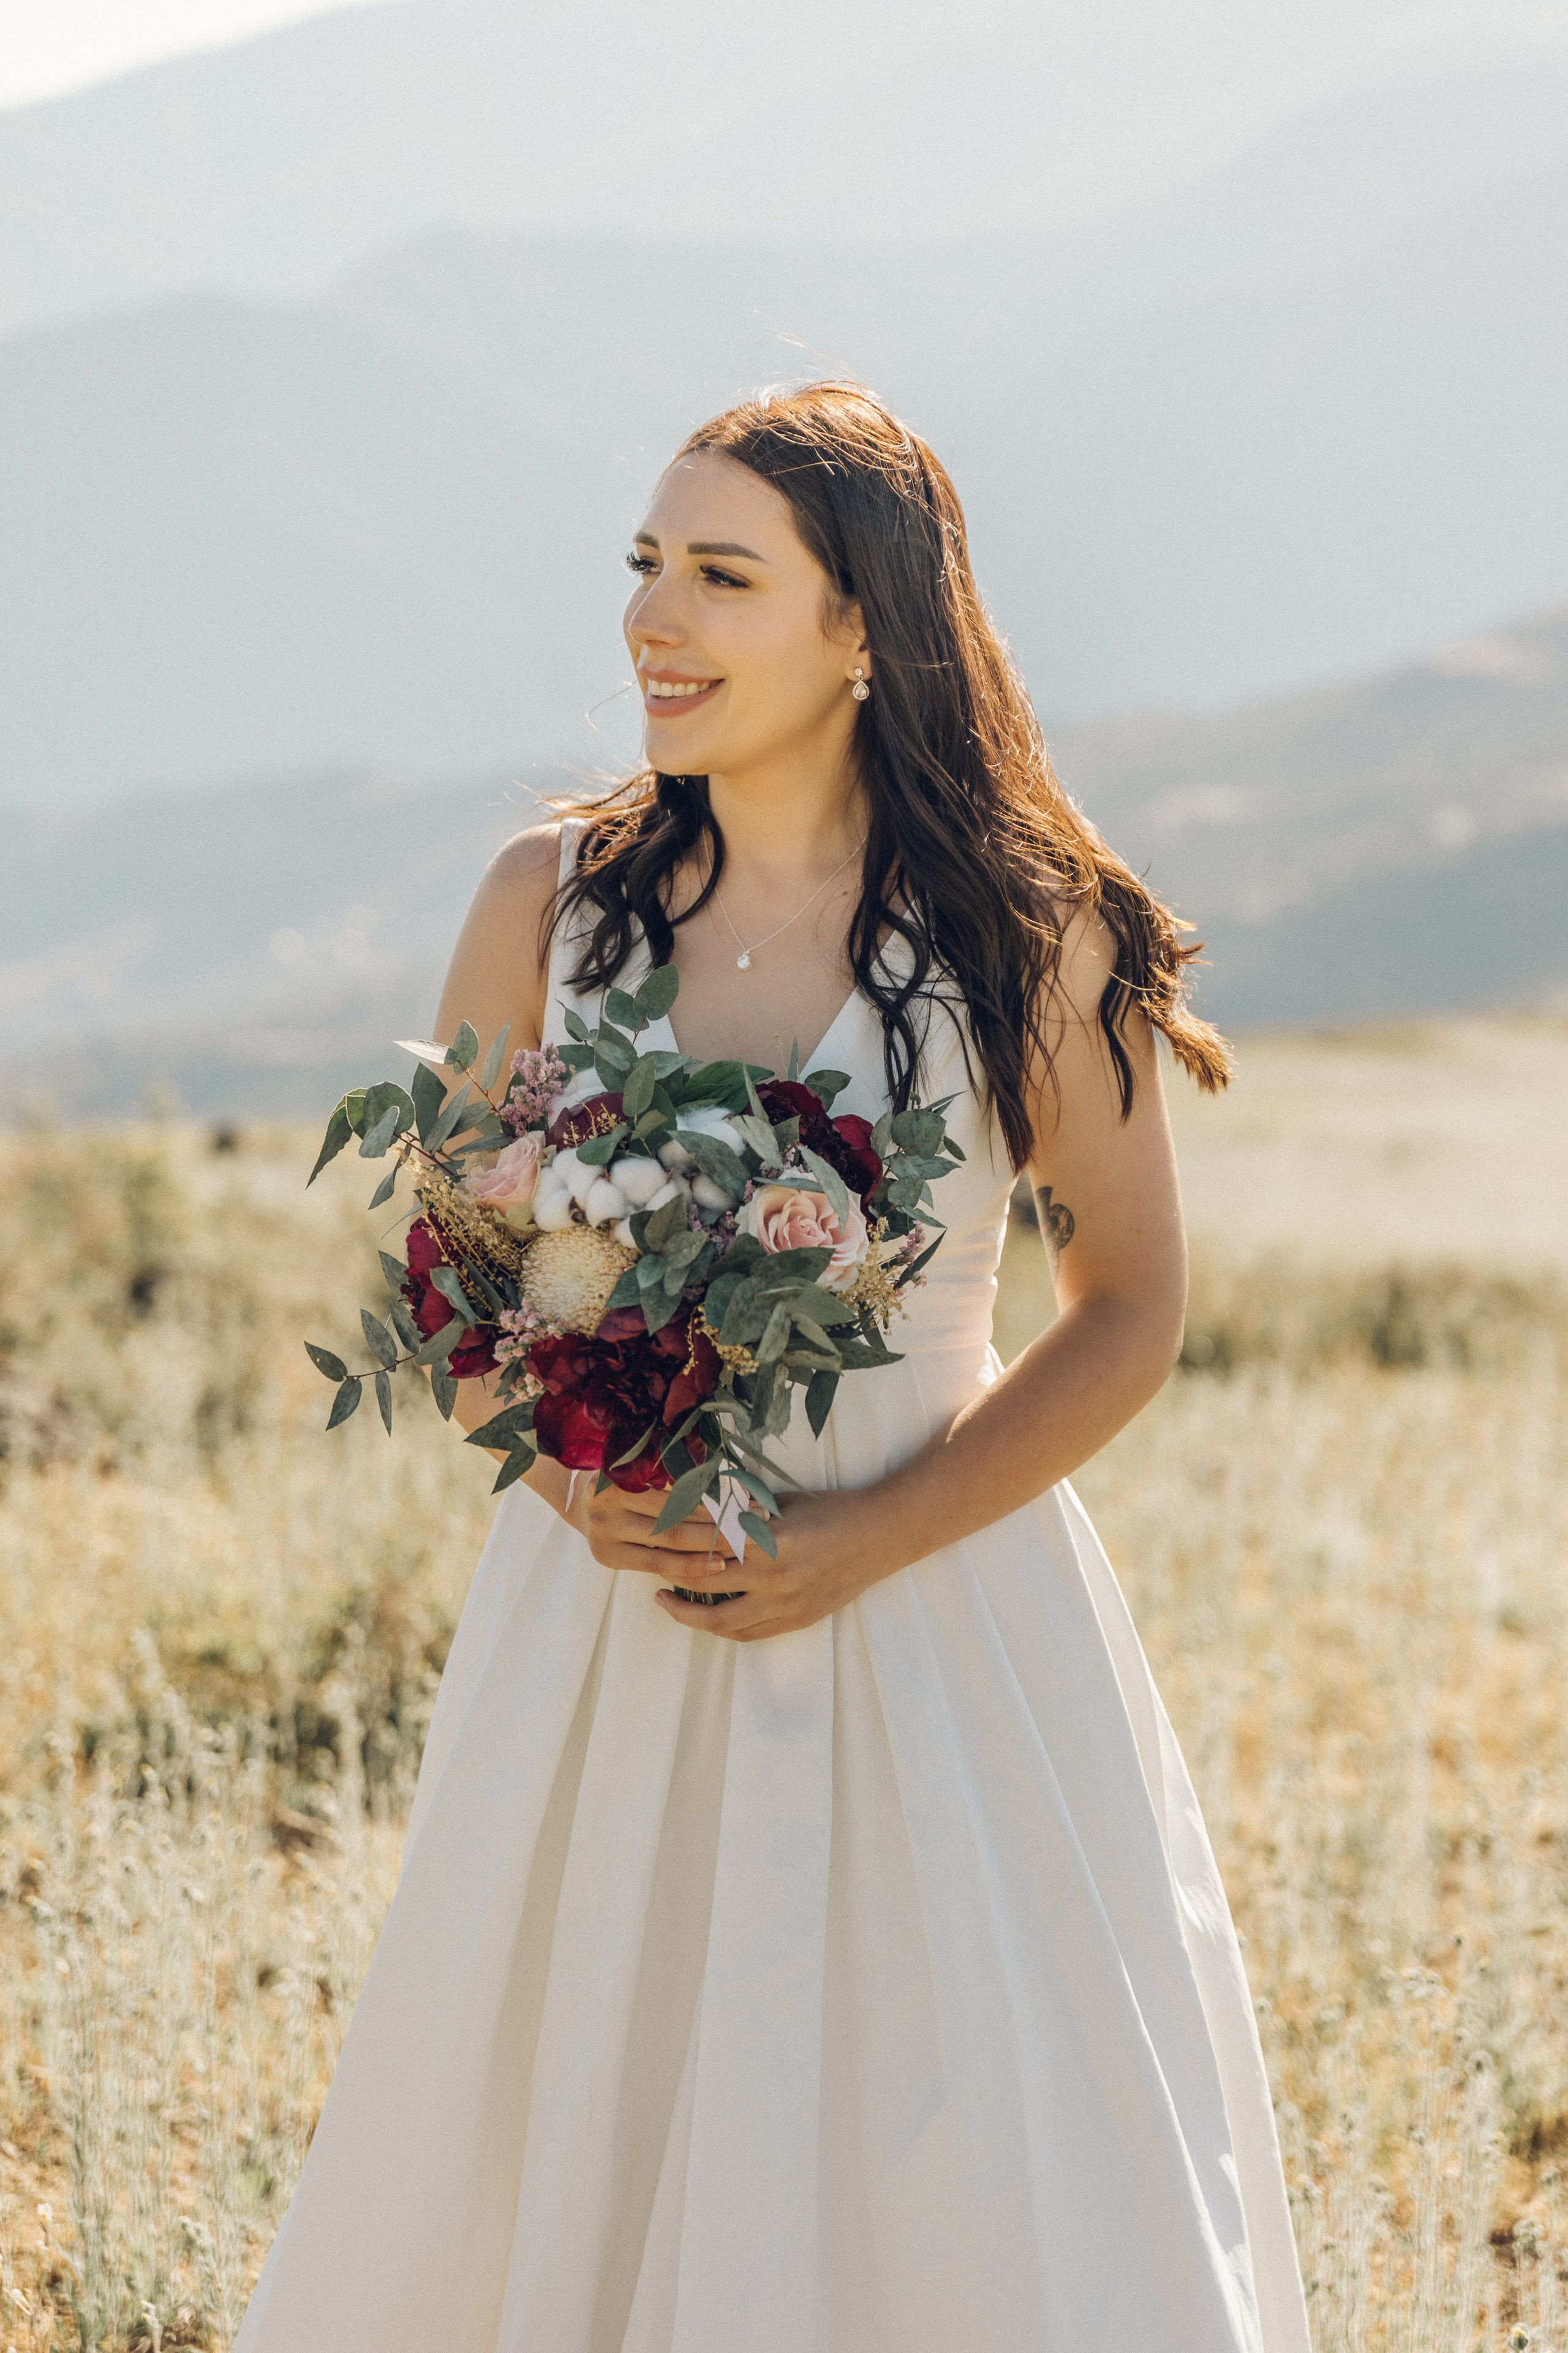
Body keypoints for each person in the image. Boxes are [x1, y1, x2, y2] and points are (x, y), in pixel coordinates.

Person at [236, 382, 1310, 2351]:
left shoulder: (1019, 935)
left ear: (865, 631)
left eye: (722, 576)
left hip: (943, 1611)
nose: (655, 618)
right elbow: (459, 1283)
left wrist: (866, 1535)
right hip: (609, 1623)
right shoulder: (545, 904)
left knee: (964, 2124)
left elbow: (1134, 1307)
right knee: (582, 2094)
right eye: (646, 566)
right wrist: (580, 1478)